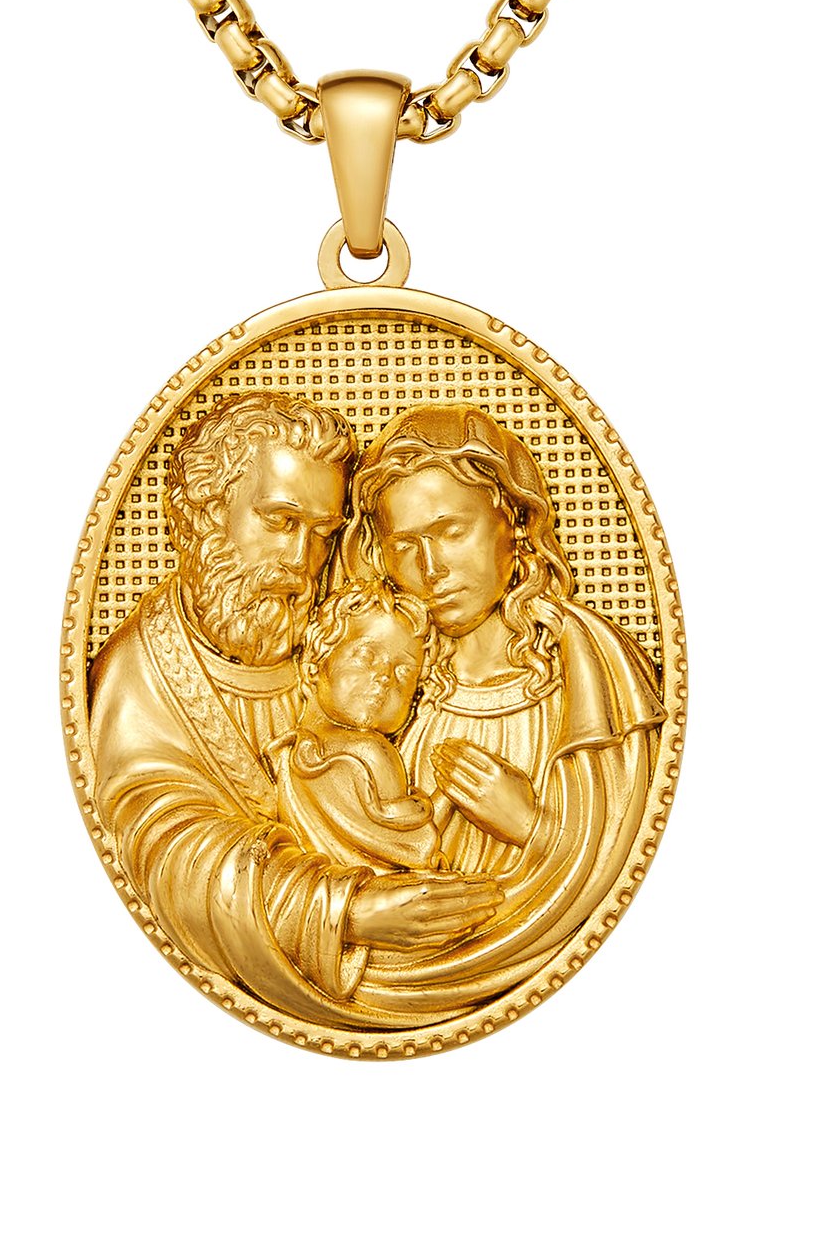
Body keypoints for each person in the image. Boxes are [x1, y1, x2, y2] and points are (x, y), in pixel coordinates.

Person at [84, 391, 498, 1026]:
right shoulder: (142, 674)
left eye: (322, 533)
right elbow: (168, 855)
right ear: (206, 512)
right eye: (281, 521)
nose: (303, 560)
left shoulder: (344, 631)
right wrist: (348, 911)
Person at [337, 403, 666, 1018]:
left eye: (450, 532)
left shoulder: (591, 668)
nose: (431, 570)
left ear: (512, 521)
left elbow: (628, 851)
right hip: (391, 969)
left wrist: (530, 826)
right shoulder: (388, 678)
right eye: (405, 545)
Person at [270, 580, 443, 874]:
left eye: (404, 671)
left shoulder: (288, 752)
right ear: (313, 664)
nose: (385, 676)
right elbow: (415, 851)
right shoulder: (371, 752)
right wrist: (449, 795)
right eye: (367, 656)